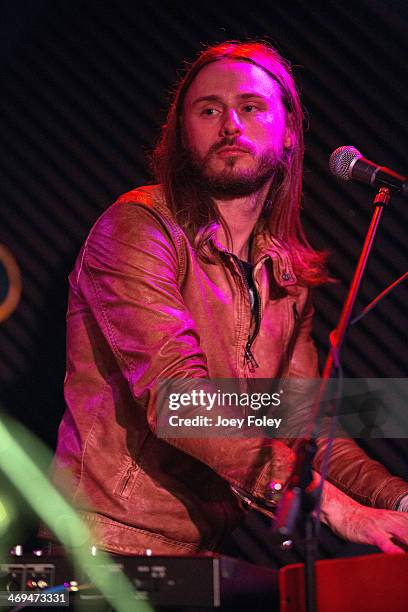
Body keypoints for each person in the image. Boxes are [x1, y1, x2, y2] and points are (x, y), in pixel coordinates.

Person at [47, 41, 408, 557]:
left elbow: (309, 427)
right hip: (104, 547)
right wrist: (342, 511)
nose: (230, 125)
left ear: (287, 135)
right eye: (209, 110)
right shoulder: (139, 226)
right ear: (183, 135)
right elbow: (180, 401)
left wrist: (398, 501)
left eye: (251, 107)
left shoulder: (286, 280)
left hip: (202, 555)